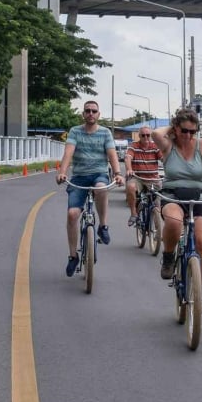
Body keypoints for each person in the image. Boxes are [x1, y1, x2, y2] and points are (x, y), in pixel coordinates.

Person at [152, 107, 202, 312]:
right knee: (175, 223)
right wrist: (173, 125)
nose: (188, 136)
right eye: (184, 130)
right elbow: (155, 134)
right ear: (176, 129)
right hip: (172, 196)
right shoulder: (168, 145)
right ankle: (168, 257)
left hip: (198, 198)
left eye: (192, 132)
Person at [56, 101, 122, 277]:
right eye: (87, 111)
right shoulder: (75, 131)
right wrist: (62, 172)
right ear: (83, 114)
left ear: (98, 114)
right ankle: (73, 256)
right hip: (79, 177)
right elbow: (68, 153)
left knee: (101, 189)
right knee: (72, 215)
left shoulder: (105, 132)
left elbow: (112, 154)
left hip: (99, 174)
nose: (91, 113)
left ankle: (103, 226)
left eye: (94, 111)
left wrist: (117, 173)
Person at [124, 126, 163, 229]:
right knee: (130, 187)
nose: (146, 137)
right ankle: (133, 214)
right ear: (139, 136)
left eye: (148, 135)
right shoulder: (133, 146)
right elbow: (128, 157)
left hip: (153, 179)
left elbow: (163, 158)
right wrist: (129, 169)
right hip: (138, 177)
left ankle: (158, 229)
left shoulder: (155, 146)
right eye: (143, 135)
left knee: (159, 203)